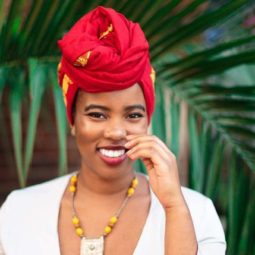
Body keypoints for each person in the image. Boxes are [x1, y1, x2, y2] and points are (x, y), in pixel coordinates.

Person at [0, 6, 226, 255]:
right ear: (73, 121)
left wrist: (173, 208)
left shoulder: (195, 212)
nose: (117, 132)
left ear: (147, 121)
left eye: (133, 115)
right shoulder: (19, 212)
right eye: (97, 114)